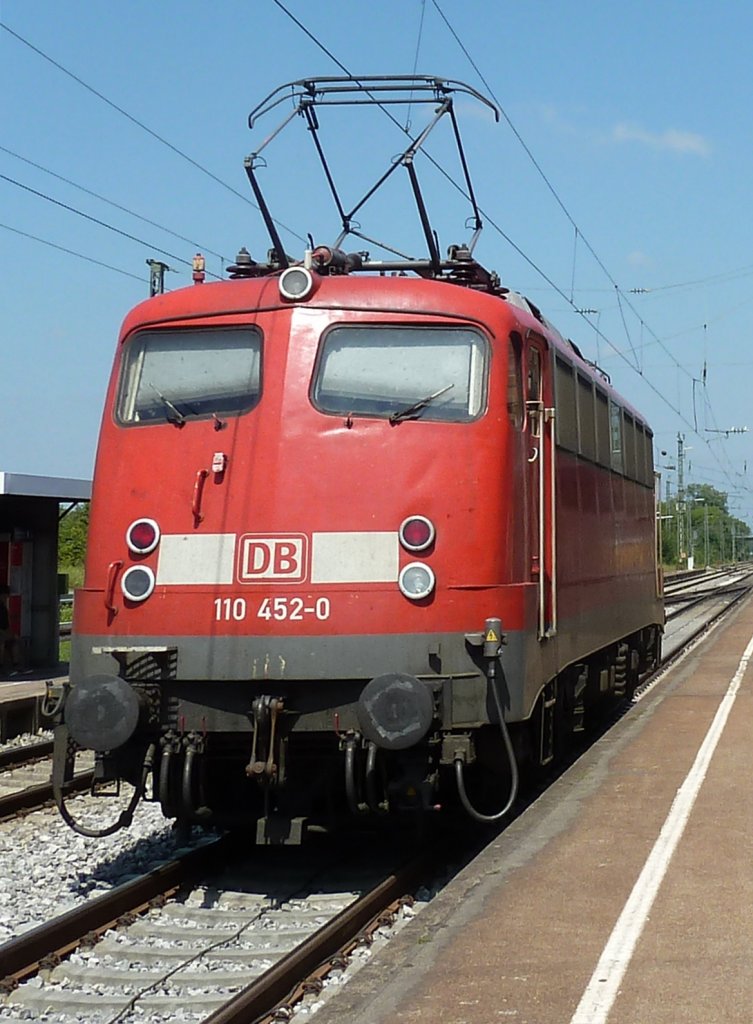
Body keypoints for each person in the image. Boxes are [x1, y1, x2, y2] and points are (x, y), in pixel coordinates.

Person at [0, 584, 21, 675]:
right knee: (2, 641)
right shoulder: (2, 607)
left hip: (2, 631)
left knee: (12, 640)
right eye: (6, 596)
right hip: (1, 632)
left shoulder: (3, 607)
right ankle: (10, 666)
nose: (7, 598)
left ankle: (15, 665)